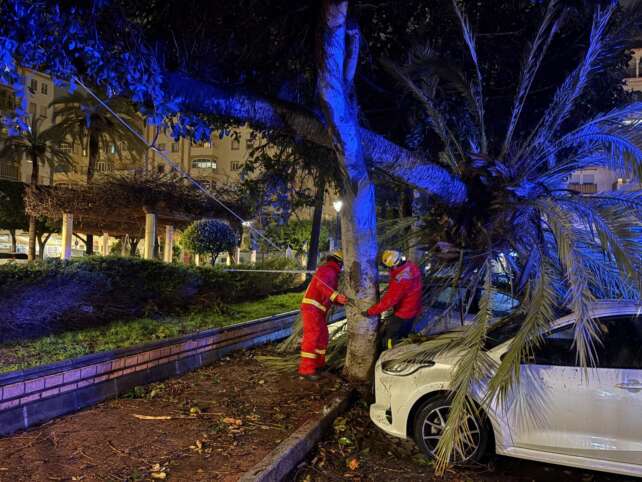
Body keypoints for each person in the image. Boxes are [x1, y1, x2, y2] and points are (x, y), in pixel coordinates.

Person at [299, 251, 348, 381]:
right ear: (339, 262)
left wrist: (339, 301)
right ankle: (306, 369)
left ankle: (318, 365)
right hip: (312, 308)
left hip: (318, 310)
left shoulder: (331, 272)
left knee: (322, 337)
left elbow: (328, 293)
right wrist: (336, 296)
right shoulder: (327, 270)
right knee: (312, 337)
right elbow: (322, 286)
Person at [364, 250, 423, 350]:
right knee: (403, 334)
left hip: (403, 313)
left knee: (390, 339)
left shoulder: (400, 279)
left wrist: (370, 312)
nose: (387, 270)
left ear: (393, 266)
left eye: (388, 267)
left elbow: (390, 300)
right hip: (413, 309)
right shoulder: (411, 267)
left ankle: (390, 354)